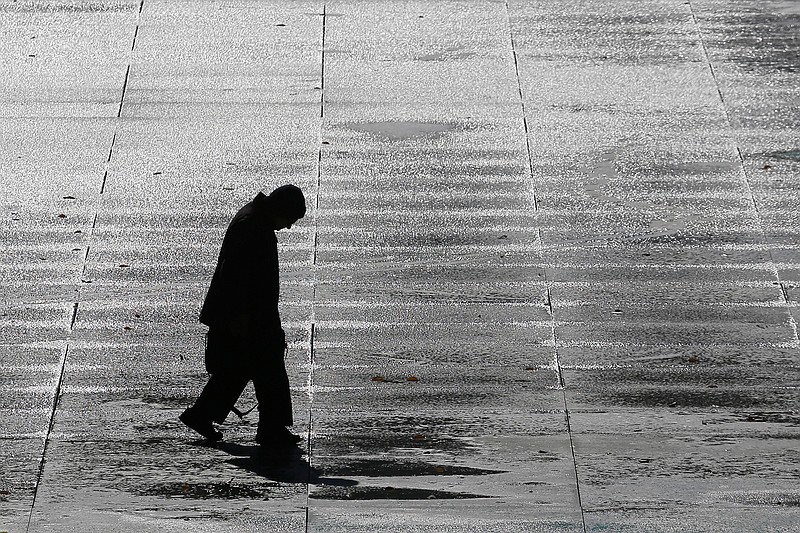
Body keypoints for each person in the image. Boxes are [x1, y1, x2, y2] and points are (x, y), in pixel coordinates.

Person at [180, 184, 306, 448]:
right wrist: (240, 317)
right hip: (247, 315)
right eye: (290, 220)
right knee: (266, 368)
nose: (289, 227)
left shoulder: (254, 219)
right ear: (281, 210)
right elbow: (237, 276)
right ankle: (270, 428)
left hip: (246, 313)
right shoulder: (254, 226)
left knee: (241, 367)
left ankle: (204, 414)